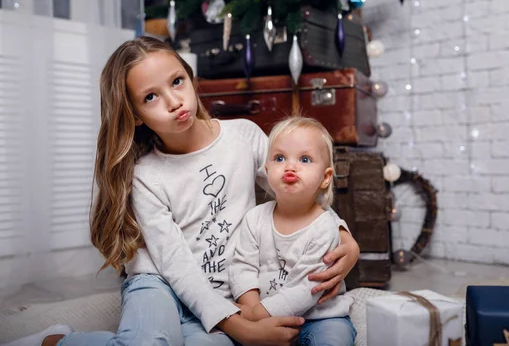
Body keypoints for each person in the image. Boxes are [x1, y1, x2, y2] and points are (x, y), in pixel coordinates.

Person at [8, 36, 359, 346]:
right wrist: (240, 327)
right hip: (158, 277)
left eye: (177, 81)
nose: (174, 101)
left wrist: (344, 236)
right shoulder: (146, 174)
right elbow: (176, 267)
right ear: (134, 115)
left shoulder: (243, 137)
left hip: (220, 291)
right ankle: (56, 340)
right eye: (151, 97)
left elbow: (296, 193)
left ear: (191, 78)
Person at [229, 116, 357, 346]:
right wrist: (251, 308)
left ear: (325, 178)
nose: (290, 166)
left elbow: (307, 288)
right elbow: (242, 266)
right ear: (267, 171)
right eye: (280, 158)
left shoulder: (325, 227)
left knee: (333, 339)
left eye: (305, 159)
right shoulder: (254, 218)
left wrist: (257, 314)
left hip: (321, 317)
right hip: (265, 315)